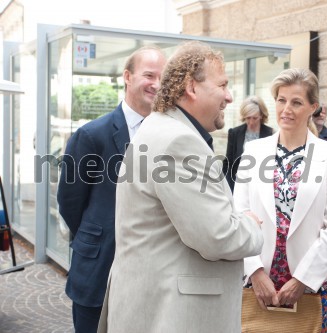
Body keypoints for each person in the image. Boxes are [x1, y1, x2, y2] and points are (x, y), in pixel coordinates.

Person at [97, 41, 264, 333]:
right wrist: (251, 225)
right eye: (222, 85)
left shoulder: (162, 128)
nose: (228, 96)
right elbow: (218, 236)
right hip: (174, 317)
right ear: (191, 87)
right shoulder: (178, 141)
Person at [57, 46, 166, 333]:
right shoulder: (92, 135)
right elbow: (70, 202)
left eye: (162, 77)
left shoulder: (168, 136)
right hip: (97, 268)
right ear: (128, 77)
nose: (156, 83)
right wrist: (97, 236)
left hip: (150, 275)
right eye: (149, 75)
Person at [234, 68, 327, 333]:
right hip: (258, 285)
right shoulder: (254, 151)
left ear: (313, 107)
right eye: (281, 100)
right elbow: (239, 215)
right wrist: (255, 272)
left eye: (296, 102)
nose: (286, 109)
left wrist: (302, 280)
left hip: (309, 285)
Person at [223, 95, 273, 191]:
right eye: (248, 118)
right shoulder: (234, 133)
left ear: (261, 115)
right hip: (237, 184)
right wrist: (228, 188)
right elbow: (228, 163)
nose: (251, 122)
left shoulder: (270, 134)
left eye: (255, 118)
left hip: (261, 186)